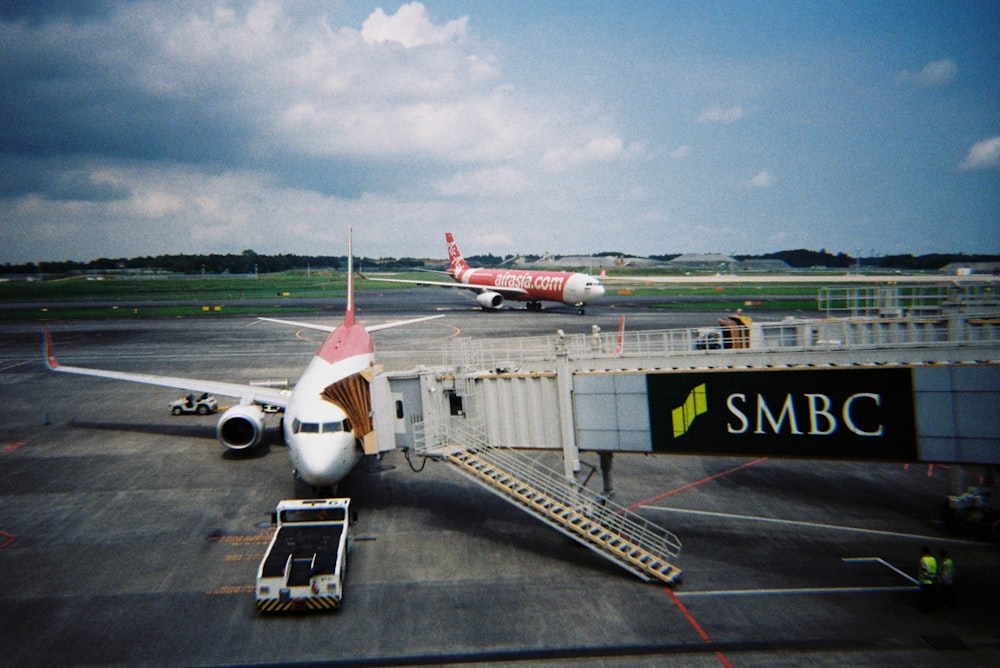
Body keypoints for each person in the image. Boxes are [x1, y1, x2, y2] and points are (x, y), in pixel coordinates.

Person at [918, 545, 938, 611]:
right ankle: (932, 608)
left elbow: (923, 571)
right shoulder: (933, 559)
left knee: (924, 597)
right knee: (931, 596)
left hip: (925, 581)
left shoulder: (923, 560)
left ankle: (924, 609)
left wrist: (928, 577)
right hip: (933, 580)